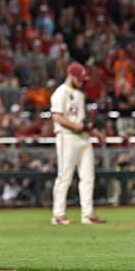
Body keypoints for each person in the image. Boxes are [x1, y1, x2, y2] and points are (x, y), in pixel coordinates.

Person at [50, 62, 106, 225]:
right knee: (65, 176)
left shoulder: (79, 94)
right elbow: (57, 117)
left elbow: (83, 121)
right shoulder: (60, 92)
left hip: (83, 138)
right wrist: (76, 126)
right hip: (67, 137)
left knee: (88, 177)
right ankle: (58, 214)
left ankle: (87, 214)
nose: (82, 82)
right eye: (80, 79)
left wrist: (95, 132)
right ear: (71, 76)